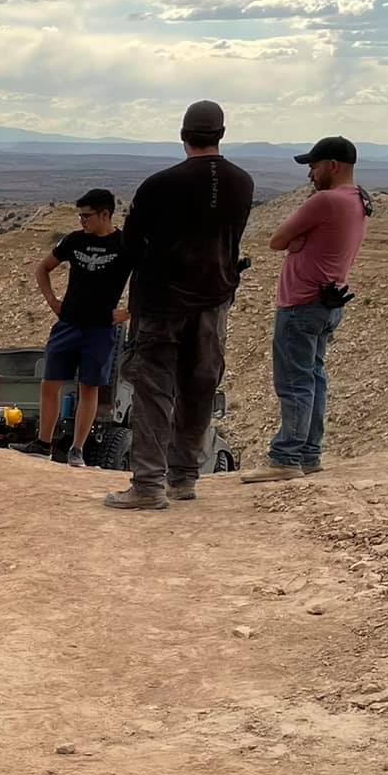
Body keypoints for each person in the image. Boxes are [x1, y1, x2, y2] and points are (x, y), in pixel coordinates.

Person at [102, 100, 254, 510]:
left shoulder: (158, 185)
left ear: (183, 135)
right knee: (200, 388)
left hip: (160, 303)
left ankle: (148, 486)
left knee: (153, 392)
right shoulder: (243, 182)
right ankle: (184, 478)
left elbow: (130, 245)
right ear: (221, 134)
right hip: (214, 301)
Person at [242, 136, 370, 483]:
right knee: (314, 377)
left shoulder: (326, 201)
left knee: (294, 383)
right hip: (328, 303)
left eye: (314, 166)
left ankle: (285, 458)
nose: (310, 174)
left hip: (301, 304)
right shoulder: (359, 199)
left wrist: (296, 242)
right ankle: (310, 454)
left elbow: (276, 240)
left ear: (333, 166)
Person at [12, 189, 131, 466]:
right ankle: (43, 443)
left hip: (100, 329)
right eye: (80, 215)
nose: (82, 221)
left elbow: (149, 278)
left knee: (89, 388)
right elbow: (43, 268)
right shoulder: (75, 240)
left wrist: (130, 312)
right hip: (68, 324)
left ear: (105, 214)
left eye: (87, 216)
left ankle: (77, 449)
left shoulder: (125, 244)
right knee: (49, 383)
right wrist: (52, 301)